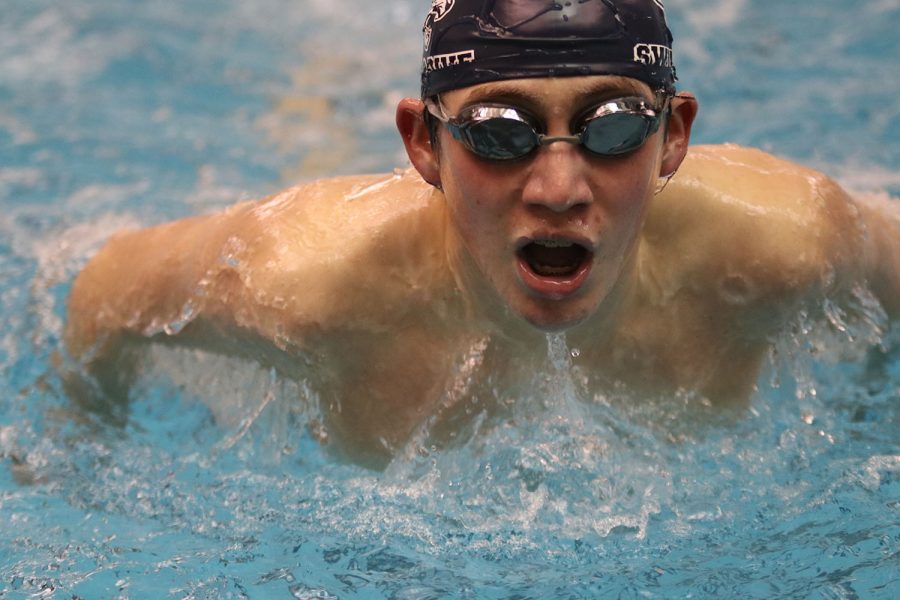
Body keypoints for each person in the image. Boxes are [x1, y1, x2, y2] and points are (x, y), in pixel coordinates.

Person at [64, 0, 899, 467]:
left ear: (674, 136)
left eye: (612, 128)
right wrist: (85, 443)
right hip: (379, 226)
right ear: (424, 143)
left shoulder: (784, 241)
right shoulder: (303, 280)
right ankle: (318, 73)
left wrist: (869, 407)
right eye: (502, 132)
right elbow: (104, 289)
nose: (560, 189)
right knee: (306, 145)